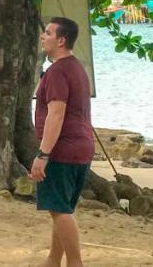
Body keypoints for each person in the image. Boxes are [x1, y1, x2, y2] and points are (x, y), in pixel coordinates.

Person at [29, 17, 95, 267]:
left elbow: (56, 114)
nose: (42, 36)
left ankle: (75, 263)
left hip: (63, 149)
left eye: (48, 33)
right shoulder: (75, 67)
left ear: (61, 40)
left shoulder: (58, 71)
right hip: (82, 146)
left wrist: (43, 154)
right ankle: (53, 260)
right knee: (61, 208)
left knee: (60, 210)